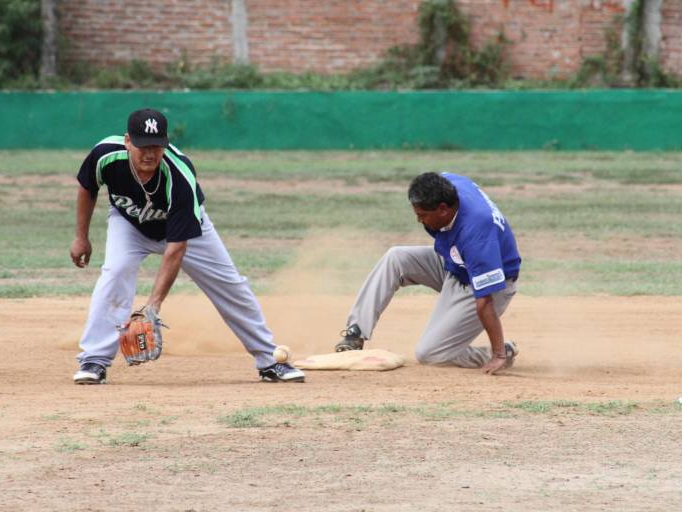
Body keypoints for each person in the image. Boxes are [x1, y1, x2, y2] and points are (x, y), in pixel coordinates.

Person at [69, 108, 304, 384]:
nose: (150, 153)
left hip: (188, 229)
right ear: (128, 141)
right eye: (143, 145)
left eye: (157, 146)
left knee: (230, 285)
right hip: (129, 223)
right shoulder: (106, 155)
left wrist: (152, 307)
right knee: (115, 273)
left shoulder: (179, 175)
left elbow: (176, 248)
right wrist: (81, 237)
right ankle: (94, 360)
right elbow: (87, 187)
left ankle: (269, 360)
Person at [334, 172, 521, 374]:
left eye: (423, 215)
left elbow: (484, 301)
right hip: (456, 262)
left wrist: (498, 353)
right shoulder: (449, 185)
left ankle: (503, 352)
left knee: (430, 353)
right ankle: (355, 333)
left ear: (443, 209)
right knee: (396, 258)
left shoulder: (477, 234)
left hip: (487, 285)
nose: (419, 220)